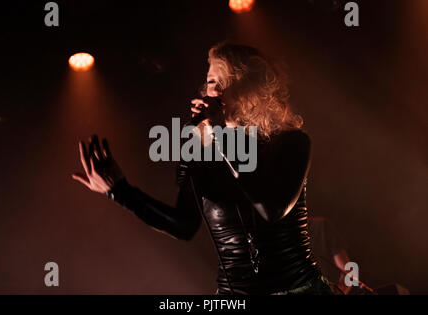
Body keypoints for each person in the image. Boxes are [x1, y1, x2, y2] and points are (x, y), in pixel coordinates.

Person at [72, 43, 333, 295]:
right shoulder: (202, 153)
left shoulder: (290, 142)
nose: (215, 89)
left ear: (252, 88)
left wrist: (219, 130)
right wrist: (120, 191)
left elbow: (272, 208)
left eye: (225, 80)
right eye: (210, 81)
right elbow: (183, 225)